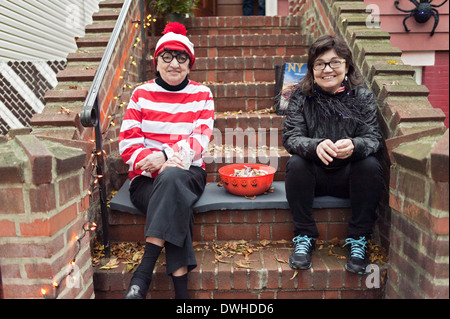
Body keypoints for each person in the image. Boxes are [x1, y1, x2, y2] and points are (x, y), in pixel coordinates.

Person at [119, 22, 215, 299]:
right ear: (157, 61)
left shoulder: (202, 94)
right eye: (168, 56)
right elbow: (128, 144)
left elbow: (200, 142)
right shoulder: (140, 94)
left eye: (182, 57)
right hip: (145, 181)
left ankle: (142, 275)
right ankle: (182, 297)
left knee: (173, 180)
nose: (175, 63)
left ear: (190, 63)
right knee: (173, 197)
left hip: (189, 175)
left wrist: (162, 156)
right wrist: (150, 163)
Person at [282, 35, 383, 275]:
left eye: (334, 62)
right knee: (296, 163)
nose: (327, 69)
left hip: (350, 178)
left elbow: (373, 139)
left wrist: (354, 145)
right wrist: (315, 145)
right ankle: (304, 236)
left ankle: (359, 240)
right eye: (320, 63)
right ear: (312, 69)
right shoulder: (299, 96)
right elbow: (291, 137)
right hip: (313, 177)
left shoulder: (362, 97)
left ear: (347, 66)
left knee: (370, 165)